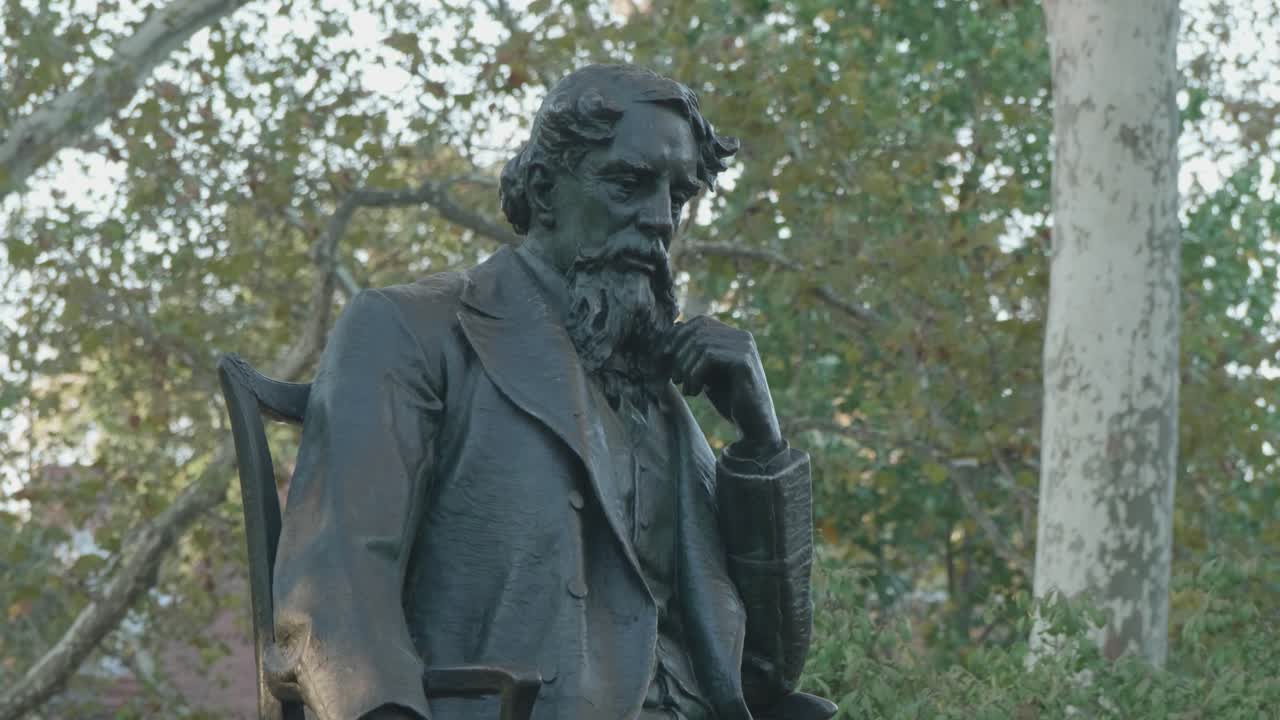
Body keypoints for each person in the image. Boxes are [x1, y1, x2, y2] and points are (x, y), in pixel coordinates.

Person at [268, 64, 820, 720]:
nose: (659, 220)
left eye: (678, 194)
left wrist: (762, 448)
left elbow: (766, 669)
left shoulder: (662, 397)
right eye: (628, 183)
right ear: (544, 189)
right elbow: (334, 593)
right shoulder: (411, 330)